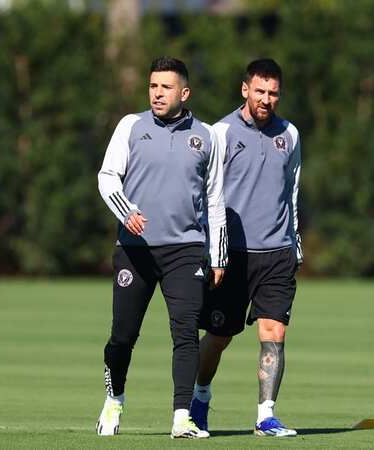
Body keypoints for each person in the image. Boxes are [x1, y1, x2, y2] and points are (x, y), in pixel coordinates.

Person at [95, 56, 226, 439]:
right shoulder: (130, 126)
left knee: (185, 334)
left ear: (184, 92)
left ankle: (182, 417)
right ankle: (114, 398)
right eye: (153, 86)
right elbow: (107, 177)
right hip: (134, 249)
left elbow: (215, 198)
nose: (157, 93)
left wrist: (218, 254)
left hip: (185, 249)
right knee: (123, 335)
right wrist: (126, 212)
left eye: (166, 87)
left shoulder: (206, 136)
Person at [191, 58, 303, 437]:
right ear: (245, 89)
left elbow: (293, 192)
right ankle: (199, 399)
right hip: (231, 256)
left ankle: (265, 416)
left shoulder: (290, 135)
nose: (266, 99)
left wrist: (295, 244)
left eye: (273, 93)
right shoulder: (220, 132)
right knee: (219, 337)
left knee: (274, 332)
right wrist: (213, 251)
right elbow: (209, 196)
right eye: (260, 91)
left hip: (276, 253)